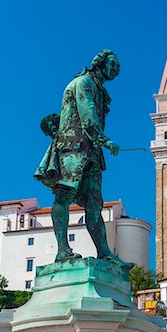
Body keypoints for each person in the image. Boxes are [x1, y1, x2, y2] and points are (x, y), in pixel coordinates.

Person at [35, 49, 133, 269]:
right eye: (114, 65)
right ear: (100, 64)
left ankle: (105, 253)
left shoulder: (100, 89)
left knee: (94, 204)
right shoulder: (83, 82)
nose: (117, 70)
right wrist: (104, 140)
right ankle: (62, 251)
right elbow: (87, 112)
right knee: (64, 194)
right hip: (73, 147)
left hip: (91, 151)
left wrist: (99, 142)